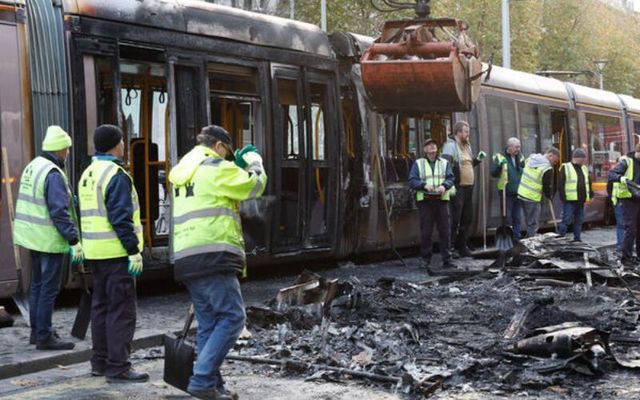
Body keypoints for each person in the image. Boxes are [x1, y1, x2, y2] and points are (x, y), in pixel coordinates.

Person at [169, 125, 267, 400]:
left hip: (187, 257)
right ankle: (201, 381)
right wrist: (253, 162)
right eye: (228, 153)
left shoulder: (183, 171)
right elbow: (253, 186)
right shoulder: (215, 167)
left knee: (210, 323)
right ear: (220, 146)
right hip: (214, 254)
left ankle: (213, 386)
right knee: (233, 318)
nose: (227, 158)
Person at [78, 124, 147, 382]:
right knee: (122, 310)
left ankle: (100, 362)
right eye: (121, 141)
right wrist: (133, 251)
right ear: (115, 145)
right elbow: (121, 218)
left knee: (101, 308)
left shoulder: (88, 173)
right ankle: (119, 367)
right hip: (116, 254)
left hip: (95, 253)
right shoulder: (116, 175)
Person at [13, 125, 82, 350]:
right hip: (47, 239)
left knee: (37, 286)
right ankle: (44, 337)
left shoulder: (34, 166)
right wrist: (73, 239)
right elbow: (58, 212)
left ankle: (37, 332)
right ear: (60, 149)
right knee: (48, 289)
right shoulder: (53, 173)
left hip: (32, 237)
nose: (69, 152)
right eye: (67, 148)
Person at [409, 138, 456, 270]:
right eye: (429, 146)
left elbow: (451, 178)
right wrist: (423, 185)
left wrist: (444, 186)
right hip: (426, 201)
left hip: (441, 200)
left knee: (445, 231)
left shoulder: (444, 163)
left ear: (437, 149)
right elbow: (412, 181)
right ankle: (425, 260)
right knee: (426, 232)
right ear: (425, 150)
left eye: (434, 146)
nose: (432, 149)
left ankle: (447, 259)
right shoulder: (419, 163)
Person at [441, 121, 486, 257]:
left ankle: (462, 246)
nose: (468, 134)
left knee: (467, 218)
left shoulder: (467, 146)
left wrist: (477, 160)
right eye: (466, 131)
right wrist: (450, 183)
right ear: (458, 132)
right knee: (455, 219)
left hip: (468, 188)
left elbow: (468, 164)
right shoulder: (450, 146)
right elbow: (445, 165)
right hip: (457, 188)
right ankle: (450, 248)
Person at [608, 142, 640, 267]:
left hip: (638, 198)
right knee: (630, 228)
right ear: (637, 151)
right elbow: (612, 174)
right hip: (628, 199)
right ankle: (626, 258)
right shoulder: (627, 161)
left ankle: (638, 256)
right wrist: (622, 179)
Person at [517, 147, 560, 237]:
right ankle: (530, 242)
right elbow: (546, 185)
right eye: (555, 161)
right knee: (533, 223)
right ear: (550, 155)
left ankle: (528, 238)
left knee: (529, 221)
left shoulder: (531, 158)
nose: (554, 164)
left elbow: (522, 167)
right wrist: (549, 196)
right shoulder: (547, 168)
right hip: (532, 197)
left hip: (521, 193)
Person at [490, 137, 525, 241]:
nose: (518, 149)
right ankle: (507, 238)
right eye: (516, 147)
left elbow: (523, 170)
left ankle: (516, 239)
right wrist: (498, 166)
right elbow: (493, 173)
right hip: (506, 193)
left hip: (518, 192)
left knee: (517, 218)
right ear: (509, 147)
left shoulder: (521, 157)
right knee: (507, 217)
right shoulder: (500, 157)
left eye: (519, 147)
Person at [557, 148, 593, 242]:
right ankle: (560, 238)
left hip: (581, 200)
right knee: (566, 219)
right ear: (577, 158)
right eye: (583, 159)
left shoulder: (584, 168)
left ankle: (577, 239)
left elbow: (588, 182)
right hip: (570, 200)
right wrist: (563, 197)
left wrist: (591, 194)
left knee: (579, 221)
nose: (584, 161)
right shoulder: (566, 167)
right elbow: (560, 184)